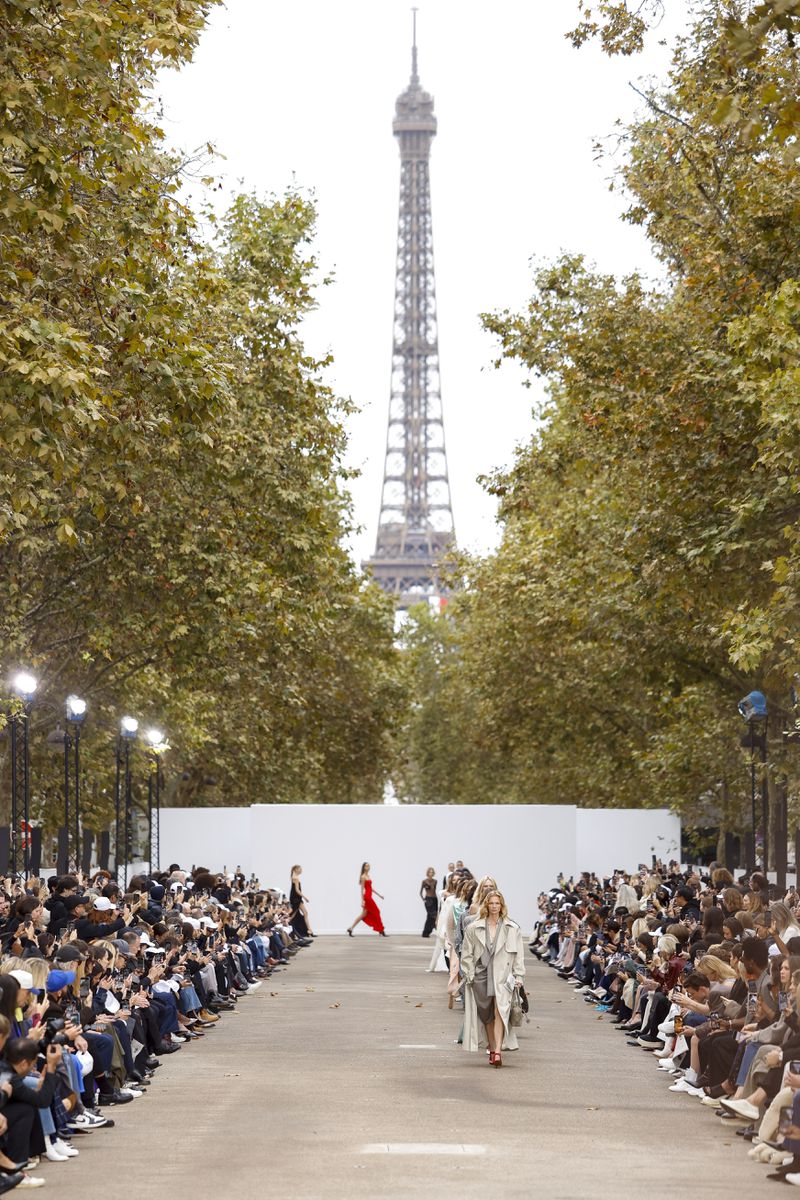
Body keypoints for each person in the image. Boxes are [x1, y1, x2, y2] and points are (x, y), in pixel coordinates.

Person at [460, 890, 525, 1067]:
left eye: (498, 903)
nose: (495, 906)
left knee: (500, 1011)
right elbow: (466, 953)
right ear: (486, 905)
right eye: (491, 903)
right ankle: (492, 1045)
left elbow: (518, 955)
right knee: (487, 1014)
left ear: (502, 906)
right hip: (481, 976)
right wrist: (469, 973)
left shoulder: (512, 928)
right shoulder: (474, 927)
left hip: (503, 977)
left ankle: (497, 1052)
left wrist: (519, 975)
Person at [347, 863, 386, 937]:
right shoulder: (363, 877)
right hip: (367, 898)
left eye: (369, 866)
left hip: (369, 897)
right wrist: (362, 900)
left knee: (363, 915)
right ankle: (381, 930)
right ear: (364, 867)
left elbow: (371, 888)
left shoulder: (368, 876)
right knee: (377, 911)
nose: (368, 867)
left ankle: (351, 929)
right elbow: (362, 890)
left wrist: (379, 895)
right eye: (366, 866)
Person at [289, 866, 314, 939]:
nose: (301, 871)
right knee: (294, 914)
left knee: (297, 913)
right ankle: (309, 930)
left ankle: (309, 930)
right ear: (295, 870)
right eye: (300, 869)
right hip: (296, 898)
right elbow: (297, 890)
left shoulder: (293, 877)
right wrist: (305, 897)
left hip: (296, 897)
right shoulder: (295, 878)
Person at [420, 868, 438, 938]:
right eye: (430, 872)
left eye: (432, 872)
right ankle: (431, 929)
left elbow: (434, 890)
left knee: (431, 916)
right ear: (428, 873)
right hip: (428, 899)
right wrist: (424, 899)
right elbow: (420, 892)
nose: (431, 873)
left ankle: (426, 933)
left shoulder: (435, 881)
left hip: (435, 899)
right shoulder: (424, 881)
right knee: (432, 915)